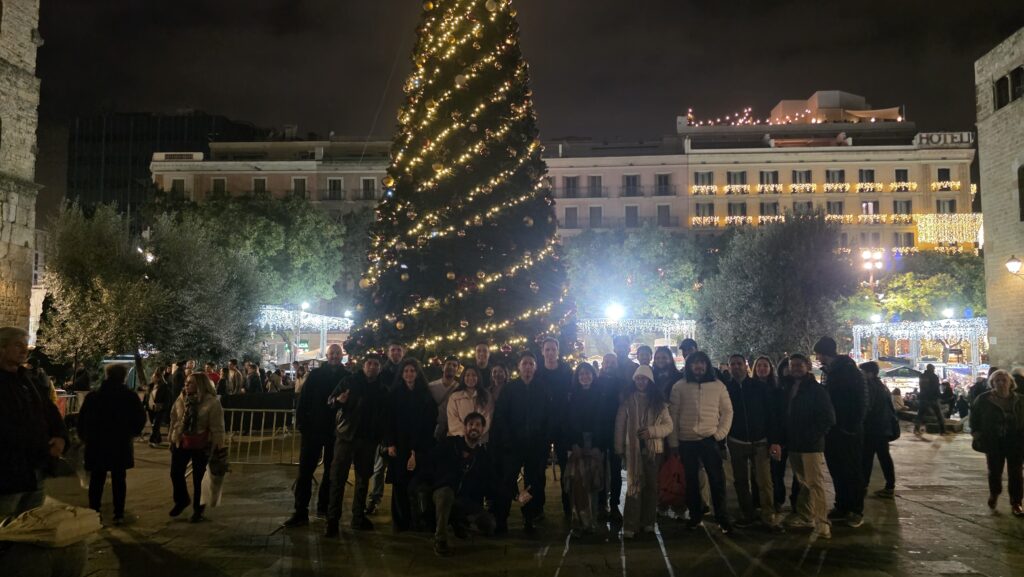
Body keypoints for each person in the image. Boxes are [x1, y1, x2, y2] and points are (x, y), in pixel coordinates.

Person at [0, 327, 67, 519]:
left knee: (30, 526)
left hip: (35, 468)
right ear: (2, 348)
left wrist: (60, 436)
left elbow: (49, 410)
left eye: (26, 346)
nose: (24, 351)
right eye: (18, 345)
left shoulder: (27, 380)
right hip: (7, 473)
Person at [668, 351, 734, 534]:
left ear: (707, 365)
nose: (699, 367)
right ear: (689, 366)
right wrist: (674, 442)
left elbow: (728, 411)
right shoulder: (679, 386)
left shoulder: (718, 386)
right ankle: (695, 516)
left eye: (702, 363)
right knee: (691, 481)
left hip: (709, 439)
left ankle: (722, 517)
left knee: (717, 480)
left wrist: (720, 434)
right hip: (686, 440)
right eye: (695, 363)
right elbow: (673, 415)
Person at [284, 344, 349, 527]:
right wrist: (302, 423)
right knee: (305, 471)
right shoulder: (316, 375)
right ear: (327, 356)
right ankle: (300, 511)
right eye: (332, 353)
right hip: (313, 429)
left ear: (341, 355)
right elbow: (303, 399)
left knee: (331, 472)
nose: (335, 356)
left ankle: (324, 507)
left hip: (335, 432)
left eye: (338, 353)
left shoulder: (347, 377)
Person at [324, 354, 388, 536]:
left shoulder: (382, 389)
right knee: (338, 479)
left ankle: (358, 517)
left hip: (368, 439)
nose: (372, 367)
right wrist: (338, 401)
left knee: (363, 479)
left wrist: (380, 436)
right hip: (346, 437)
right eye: (369, 363)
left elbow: (384, 416)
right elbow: (330, 401)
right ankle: (332, 520)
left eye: (376, 364)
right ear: (364, 365)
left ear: (380, 367)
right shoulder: (350, 381)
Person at [78, 364, 147, 525]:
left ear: (107, 375)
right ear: (123, 377)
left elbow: (82, 420)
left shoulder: (94, 396)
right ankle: (119, 513)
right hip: (120, 443)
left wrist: (85, 437)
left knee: (97, 479)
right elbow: (140, 418)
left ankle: (94, 511)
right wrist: (132, 433)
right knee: (119, 479)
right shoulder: (130, 397)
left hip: (97, 443)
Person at [491, 352, 550, 534]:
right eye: (524, 364)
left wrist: (544, 439)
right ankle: (502, 519)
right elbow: (500, 415)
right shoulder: (510, 389)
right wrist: (507, 438)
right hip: (513, 444)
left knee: (532, 481)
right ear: (519, 367)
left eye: (531, 364)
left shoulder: (542, 388)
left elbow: (548, 416)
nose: (527, 367)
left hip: (535, 444)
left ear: (535, 367)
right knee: (508, 480)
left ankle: (529, 518)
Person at [814, 336, 868, 528]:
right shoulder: (830, 372)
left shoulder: (849, 371)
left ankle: (855, 510)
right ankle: (842, 505)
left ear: (824, 353)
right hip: (834, 430)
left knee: (851, 471)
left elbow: (860, 402)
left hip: (848, 430)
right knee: (837, 469)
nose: (817, 358)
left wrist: (851, 426)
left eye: (818, 353)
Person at [780, 354, 835, 539]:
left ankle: (822, 522)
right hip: (794, 444)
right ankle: (806, 516)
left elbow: (828, 418)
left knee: (815, 483)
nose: (795, 368)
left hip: (811, 445)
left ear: (808, 366)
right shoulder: (788, 387)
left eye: (799, 365)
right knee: (803, 482)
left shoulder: (816, 390)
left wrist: (812, 437)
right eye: (792, 365)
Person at [725, 354, 782, 530]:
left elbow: (771, 415)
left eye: (739, 364)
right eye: (732, 364)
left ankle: (767, 513)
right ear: (729, 367)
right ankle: (747, 513)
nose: (736, 367)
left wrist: (774, 441)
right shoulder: (726, 389)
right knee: (741, 481)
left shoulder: (759, 387)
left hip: (760, 441)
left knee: (764, 481)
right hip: (736, 441)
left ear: (746, 365)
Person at [615, 365, 673, 538]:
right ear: (634, 381)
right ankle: (630, 525)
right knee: (634, 486)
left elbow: (668, 426)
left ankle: (648, 522)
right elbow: (620, 426)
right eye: (638, 379)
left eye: (644, 378)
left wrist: (652, 431)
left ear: (650, 381)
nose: (641, 382)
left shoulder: (659, 403)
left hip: (653, 451)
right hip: (633, 451)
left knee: (651, 487)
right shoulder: (627, 401)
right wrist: (618, 448)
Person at [431, 412, 496, 556]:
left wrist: (516, 495)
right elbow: (431, 460)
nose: (474, 428)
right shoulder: (450, 444)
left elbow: (494, 481)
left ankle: (457, 521)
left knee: (489, 525)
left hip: (464, 500)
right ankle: (440, 539)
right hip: (443, 493)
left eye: (478, 425)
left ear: (483, 429)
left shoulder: (482, 455)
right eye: (471, 424)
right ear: (465, 427)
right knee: (446, 493)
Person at [385, 358, 438, 532]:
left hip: (420, 444)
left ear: (417, 373)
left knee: (418, 483)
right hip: (399, 444)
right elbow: (389, 420)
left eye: (412, 371)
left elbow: (430, 420)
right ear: (402, 373)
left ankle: (418, 519)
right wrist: (391, 443)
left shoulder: (425, 394)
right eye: (406, 371)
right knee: (399, 483)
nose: (409, 374)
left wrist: (418, 449)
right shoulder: (394, 394)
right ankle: (401, 520)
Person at [168, 372, 224, 522]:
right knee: (175, 473)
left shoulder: (212, 402)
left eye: (190, 383)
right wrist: (171, 439)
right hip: (181, 441)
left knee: (199, 478)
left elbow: (217, 427)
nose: (186, 385)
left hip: (202, 444)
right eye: (186, 382)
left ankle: (198, 510)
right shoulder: (181, 399)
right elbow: (174, 418)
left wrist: (218, 447)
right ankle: (181, 500)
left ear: (200, 385)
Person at [970, 370, 1024, 516]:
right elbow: (974, 416)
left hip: (1015, 440)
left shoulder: (1020, 400)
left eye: (1003, 380)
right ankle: (994, 494)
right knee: (994, 471)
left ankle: (1016, 502)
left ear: (1010, 383)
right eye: (997, 381)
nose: (1000, 383)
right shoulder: (984, 399)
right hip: (993, 440)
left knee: (1016, 472)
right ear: (992, 383)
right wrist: (976, 432)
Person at [563, 363, 606, 535]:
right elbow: (567, 422)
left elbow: (603, 422)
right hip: (577, 445)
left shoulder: (600, 395)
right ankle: (580, 522)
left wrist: (598, 446)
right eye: (581, 374)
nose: (584, 376)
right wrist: (574, 445)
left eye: (587, 373)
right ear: (577, 377)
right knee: (578, 483)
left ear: (593, 376)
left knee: (593, 483)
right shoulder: (571, 396)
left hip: (595, 443)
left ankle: (592, 521)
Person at [535, 337, 574, 521]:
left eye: (553, 349)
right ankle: (538, 507)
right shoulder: (537, 372)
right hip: (542, 425)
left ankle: (568, 506)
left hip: (562, 425)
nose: (550, 353)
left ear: (557, 351)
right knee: (538, 467)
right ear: (543, 352)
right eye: (547, 349)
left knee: (566, 468)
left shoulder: (566, 370)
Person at [368, 343, 407, 516]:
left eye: (399, 350)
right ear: (388, 352)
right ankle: (374, 499)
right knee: (378, 468)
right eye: (393, 350)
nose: (396, 353)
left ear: (403, 352)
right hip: (383, 427)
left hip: (400, 427)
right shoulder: (382, 373)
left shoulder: (408, 371)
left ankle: (400, 505)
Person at [860, 362, 899, 500]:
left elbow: (867, 407)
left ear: (870, 373)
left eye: (862, 372)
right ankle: (889, 486)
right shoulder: (882, 386)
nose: (860, 375)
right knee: (883, 457)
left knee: (867, 457)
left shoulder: (870, 387)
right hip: (883, 427)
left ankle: (863, 485)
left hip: (873, 428)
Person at [597, 352, 627, 524]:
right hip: (600, 431)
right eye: (606, 361)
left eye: (612, 361)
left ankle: (614, 504)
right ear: (603, 363)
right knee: (600, 470)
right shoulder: (597, 382)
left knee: (616, 471)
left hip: (616, 430)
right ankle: (602, 504)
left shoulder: (621, 383)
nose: (609, 364)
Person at [447, 366, 493, 441]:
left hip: (480, 440)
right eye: (467, 375)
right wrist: (467, 434)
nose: (471, 378)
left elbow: (488, 418)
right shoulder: (454, 397)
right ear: (463, 377)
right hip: (459, 439)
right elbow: (452, 419)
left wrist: (477, 433)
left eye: (474, 375)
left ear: (478, 377)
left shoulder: (486, 396)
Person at [430, 356, 461, 440]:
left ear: (457, 370)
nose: (451, 367)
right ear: (443, 367)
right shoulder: (431, 386)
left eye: (454, 365)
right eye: (448, 364)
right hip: (431, 429)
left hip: (450, 431)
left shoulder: (460, 389)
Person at [915, 364, 946, 436]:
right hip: (932, 398)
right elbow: (936, 388)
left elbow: (921, 387)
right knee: (939, 415)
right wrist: (939, 396)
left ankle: (916, 429)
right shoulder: (934, 377)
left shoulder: (922, 376)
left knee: (920, 415)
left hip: (923, 398)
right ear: (932, 369)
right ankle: (942, 431)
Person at [147, 365, 172, 447]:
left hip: (160, 409)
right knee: (154, 425)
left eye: (154, 377)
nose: (152, 378)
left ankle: (152, 441)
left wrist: (164, 407)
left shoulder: (164, 387)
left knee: (156, 425)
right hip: (151, 408)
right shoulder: (150, 386)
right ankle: (158, 439)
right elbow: (147, 397)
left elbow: (167, 399)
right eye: (152, 376)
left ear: (158, 378)